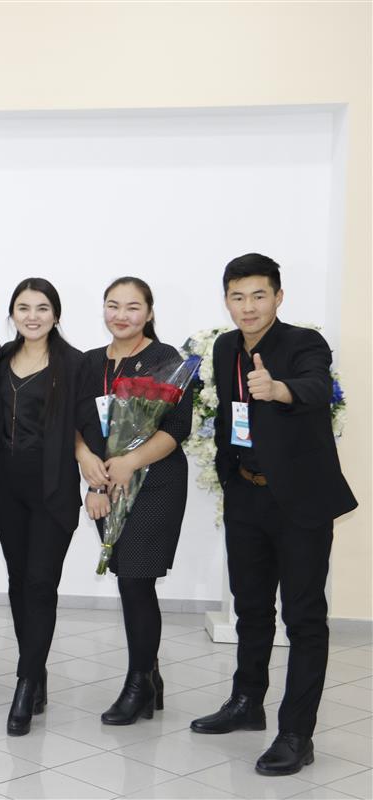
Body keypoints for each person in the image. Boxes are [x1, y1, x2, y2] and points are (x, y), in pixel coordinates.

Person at [190, 254, 357, 777]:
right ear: (226, 300)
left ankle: (296, 734)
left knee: (303, 619)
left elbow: (315, 387)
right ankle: (246, 703)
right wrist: (229, 476)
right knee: (251, 608)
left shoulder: (304, 343)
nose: (248, 307)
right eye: (238, 297)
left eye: (259, 295)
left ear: (278, 297)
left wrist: (279, 389)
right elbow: (229, 416)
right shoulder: (224, 347)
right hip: (246, 494)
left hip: (300, 502)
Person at [75, 277, 190, 724]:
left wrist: (130, 463)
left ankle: (138, 683)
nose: (121, 315)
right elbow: (76, 423)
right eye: (113, 305)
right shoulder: (88, 362)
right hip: (106, 484)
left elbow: (177, 427)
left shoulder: (165, 360)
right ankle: (151, 676)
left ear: (149, 312)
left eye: (132, 307)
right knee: (127, 575)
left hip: (155, 482)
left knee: (135, 582)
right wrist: (91, 472)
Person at [0, 277, 85, 736]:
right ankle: (37, 670)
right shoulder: (1, 358)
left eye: (42, 308)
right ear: (12, 314)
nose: (33, 316)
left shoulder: (74, 364)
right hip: (4, 486)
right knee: (18, 583)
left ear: (56, 314)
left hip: (52, 487)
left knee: (41, 583)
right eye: (24, 308)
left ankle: (25, 685)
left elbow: (89, 424)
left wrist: (92, 467)